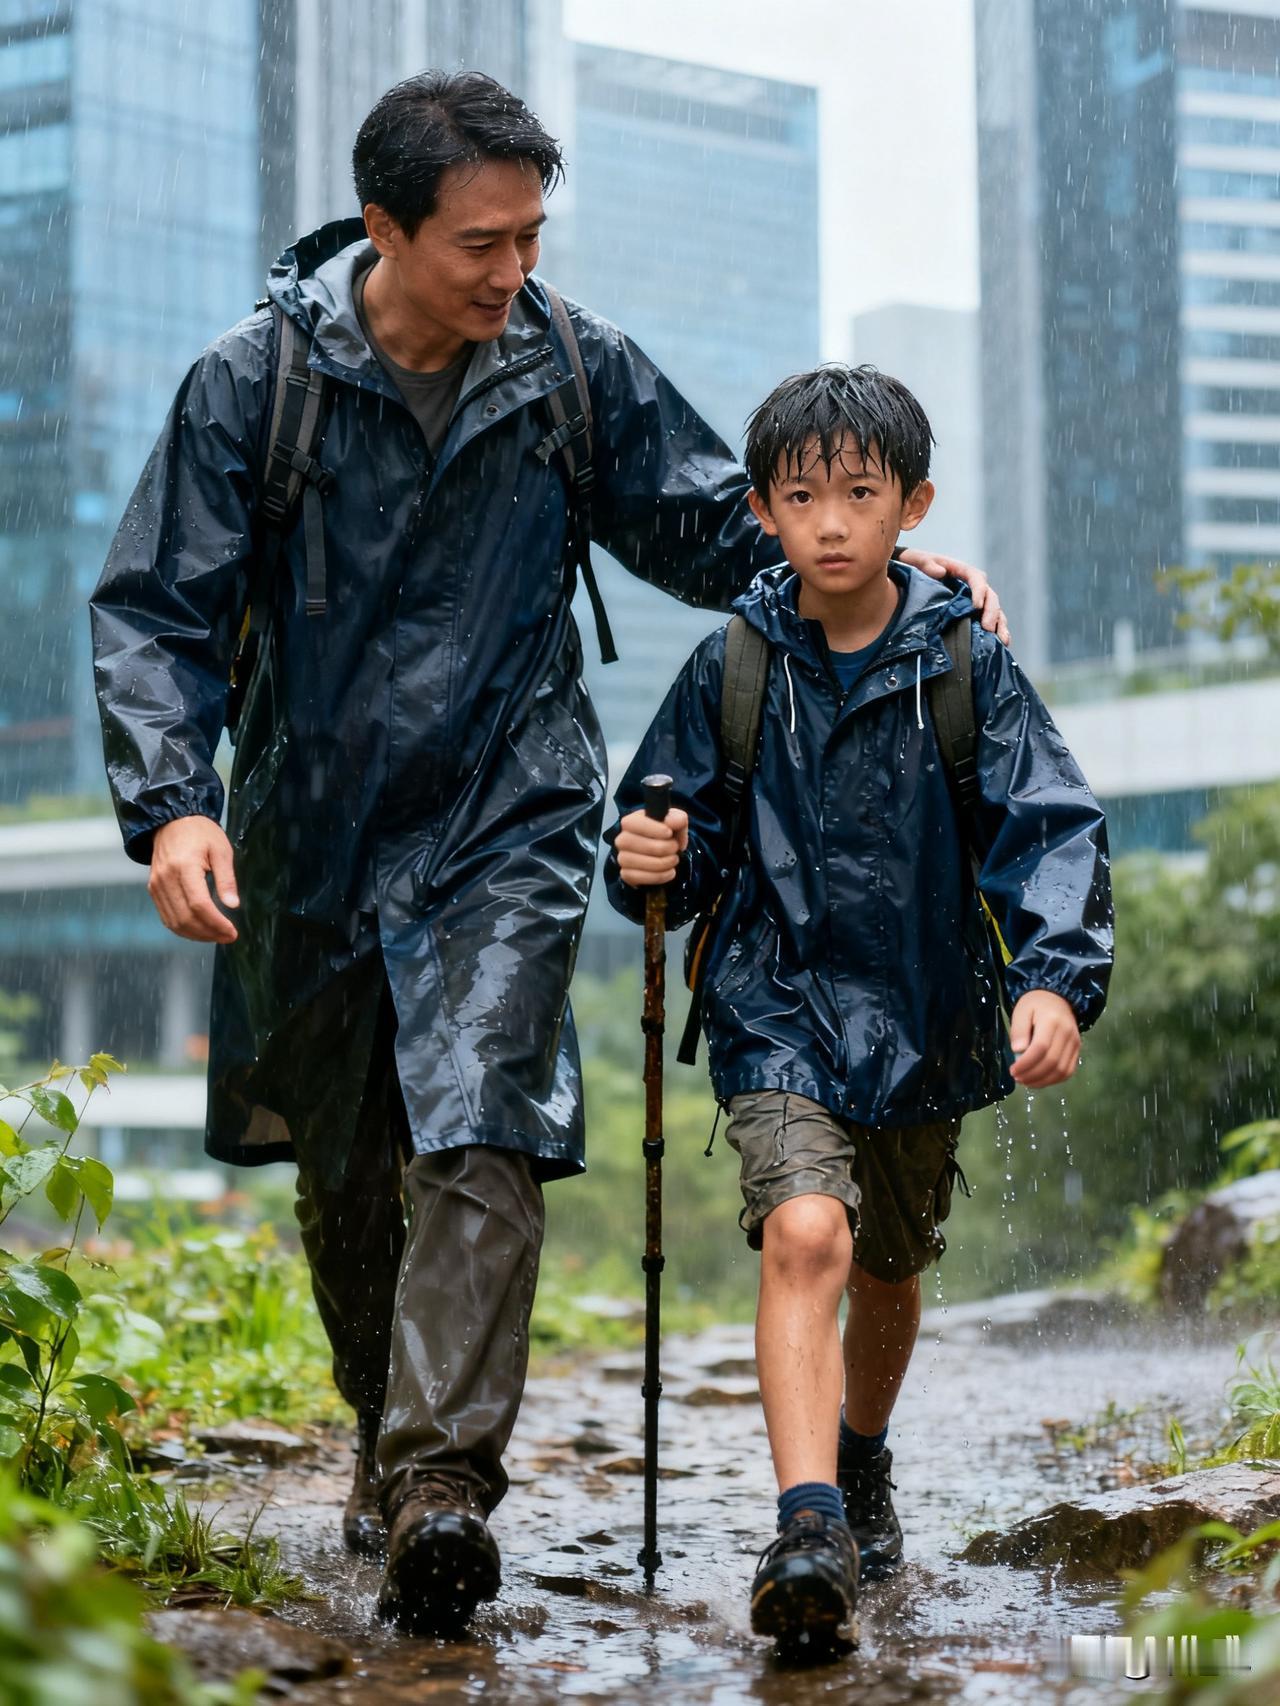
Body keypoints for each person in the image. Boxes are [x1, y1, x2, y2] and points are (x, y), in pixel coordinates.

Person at [90, 71, 1007, 1638]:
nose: (514, 270)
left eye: (531, 236)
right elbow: (155, 608)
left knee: (484, 1111)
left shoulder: (569, 367)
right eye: (483, 242)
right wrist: (174, 800)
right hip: (311, 828)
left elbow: (720, 523)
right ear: (385, 229)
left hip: (509, 809)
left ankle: (441, 1486)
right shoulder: (255, 386)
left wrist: (882, 567)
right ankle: (390, 1439)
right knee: (351, 1166)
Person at [605, 364, 1112, 1654]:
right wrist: (647, 860)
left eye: (859, 494)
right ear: (762, 512)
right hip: (774, 1002)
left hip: (929, 1010)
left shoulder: (965, 664)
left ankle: (864, 1454)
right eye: (800, 497)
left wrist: (1054, 978)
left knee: (890, 1263)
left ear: (911, 506)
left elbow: (1049, 827)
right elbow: (669, 835)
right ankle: (809, 1524)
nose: (830, 524)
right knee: (807, 1234)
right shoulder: (732, 664)